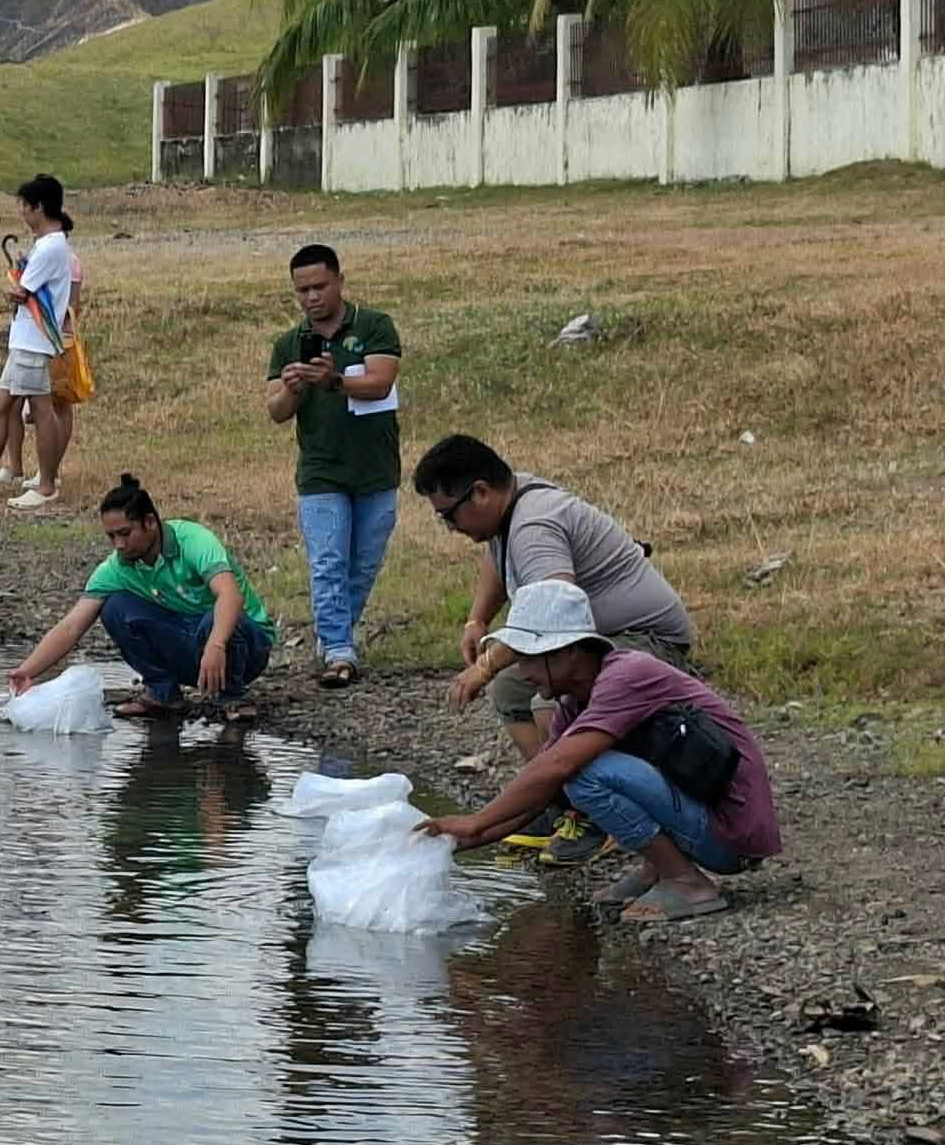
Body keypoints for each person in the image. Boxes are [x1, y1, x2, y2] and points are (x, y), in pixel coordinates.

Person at [417, 581, 779, 923]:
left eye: (529, 658)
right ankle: (659, 870)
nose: (523, 673)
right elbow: (543, 794)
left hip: (733, 833)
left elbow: (558, 766)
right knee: (574, 775)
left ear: (570, 653)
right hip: (704, 816)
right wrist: (459, 839)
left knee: (584, 774)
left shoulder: (626, 676)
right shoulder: (575, 704)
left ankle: (686, 882)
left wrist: (476, 818)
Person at [411, 433, 696, 864]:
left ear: (482, 492)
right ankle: (557, 800)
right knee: (512, 689)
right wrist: (478, 620)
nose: (451, 528)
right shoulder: (511, 505)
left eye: (449, 516)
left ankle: (596, 812)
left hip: (647, 639)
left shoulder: (533, 525)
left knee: (547, 686)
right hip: (606, 633)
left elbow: (554, 618)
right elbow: (497, 555)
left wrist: (484, 667)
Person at [9, 474, 275, 724]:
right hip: (194, 643)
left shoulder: (193, 540)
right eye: (111, 536)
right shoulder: (117, 567)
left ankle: (233, 698)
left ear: (150, 523)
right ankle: (162, 695)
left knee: (215, 619)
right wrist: (27, 672)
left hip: (245, 645)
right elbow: (71, 626)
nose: (118, 545)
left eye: (125, 534)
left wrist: (216, 646)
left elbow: (231, 595)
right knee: (114, 607)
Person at [264, 243, 403, 689]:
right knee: (327, 559)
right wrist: (294, 388)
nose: (311, 297)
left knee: (361, 564)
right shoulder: (288, 343)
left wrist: (335, 380)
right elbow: (276, 411)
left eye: (319, 286)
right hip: (320, 470)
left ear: (340, 281)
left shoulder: (375, 325)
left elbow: (381, 383)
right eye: (302, 290)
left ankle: (334, 636)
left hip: (376, 467)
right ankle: (340, 651)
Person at [0, 174, 75, 510]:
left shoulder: (50, 247)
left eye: (24, 206)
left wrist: (12, 288)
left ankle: (46, 485)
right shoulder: (49, 245)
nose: (22, 213)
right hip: (24, 341)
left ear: (39, 207)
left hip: (33, 342)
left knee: (42, 411)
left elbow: (22, 292)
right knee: (0, 407)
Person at [0, 248, 87, 493]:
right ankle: (14, 466)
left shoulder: (67, 260)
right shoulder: (39, 255)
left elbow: (71, 306)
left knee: (57, 403)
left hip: (54, 339)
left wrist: (63, 337)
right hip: (28, 337)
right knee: (14, 403)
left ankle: (49, 472)